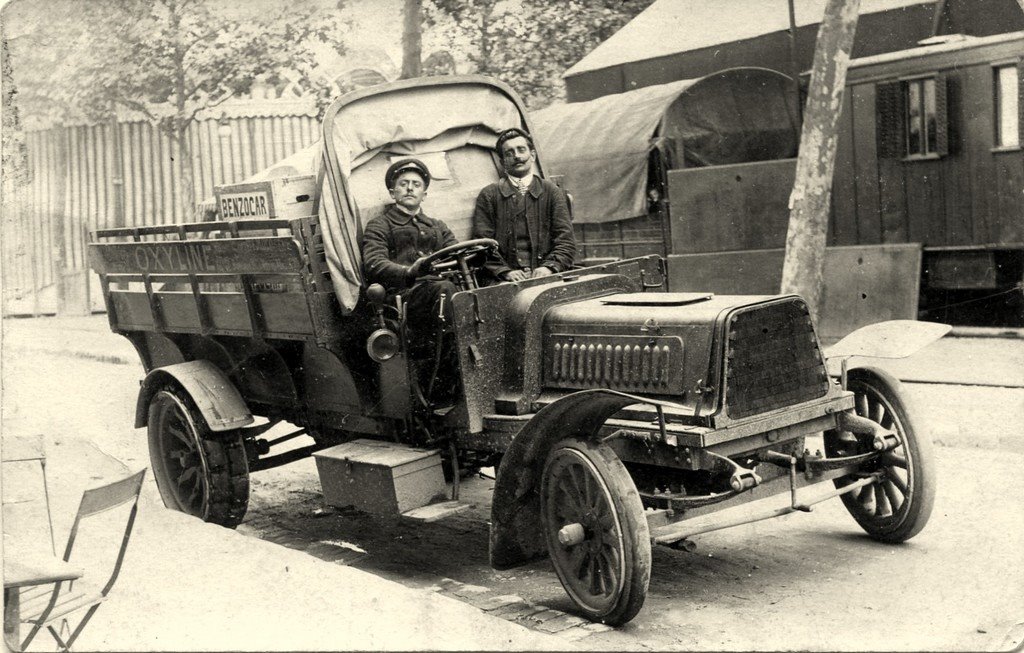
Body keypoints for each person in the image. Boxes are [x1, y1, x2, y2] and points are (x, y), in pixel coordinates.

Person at [361, 158, 458, 402]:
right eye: (403, 184)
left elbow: (456, 251)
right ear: (393, 192)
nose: (410, 188)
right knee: (445, 291)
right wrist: (408, 272)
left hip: (439, 293)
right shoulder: (380, 225)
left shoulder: (437, 226)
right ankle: (441, 384)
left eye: (416, 184)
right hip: (404, 297)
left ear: (424, 194)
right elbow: (374, 262)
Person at [472, 127, 575, 282]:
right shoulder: (489, 195)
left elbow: (566, 241)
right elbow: (481, 245)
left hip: (547, 275)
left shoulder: (552, 192)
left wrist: (548, 267)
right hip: (504, 281)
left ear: (532, 155)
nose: (517, 156)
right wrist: (505, 272)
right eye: (509, 153)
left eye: (521, 150)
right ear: (502, 162)